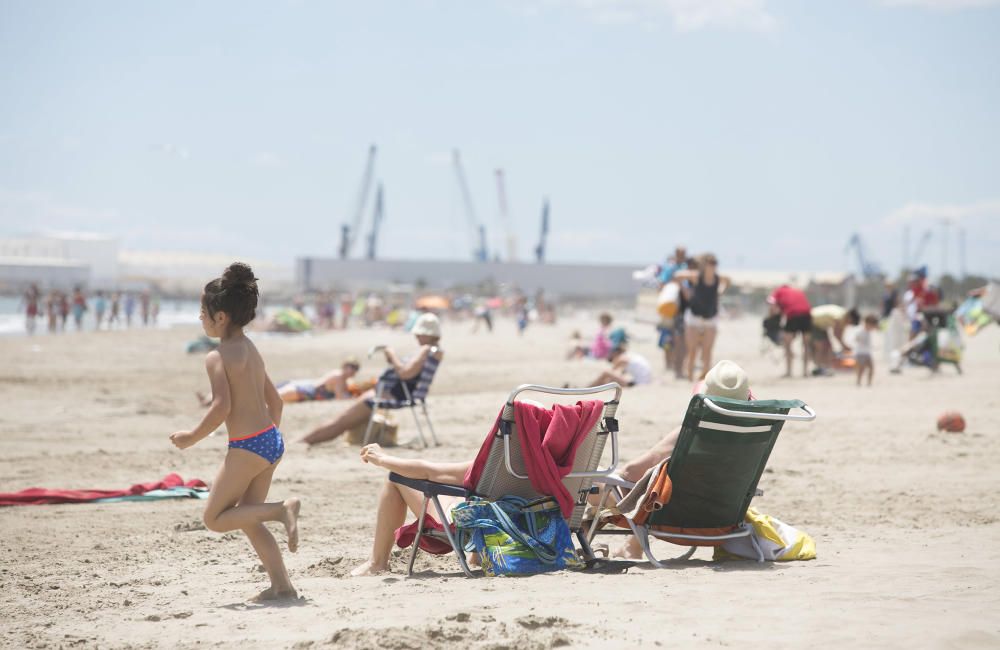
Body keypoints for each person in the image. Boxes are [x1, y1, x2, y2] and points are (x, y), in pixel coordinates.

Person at [168, 262, 300, 602]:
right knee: (247, 517)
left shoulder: (217, 356)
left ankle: (281, 510)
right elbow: (277, 402)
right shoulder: (252, 349)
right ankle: (282, 585)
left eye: (203, 312)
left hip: (250, 446)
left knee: (214, 518)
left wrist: (191, 437)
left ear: (221, 316)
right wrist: (268, 443)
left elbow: (221, 407)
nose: (200, 317)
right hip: (271, 440)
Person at [607, 360, 753, 558]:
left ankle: (627, 545)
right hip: (724, 522)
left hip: (676, 520)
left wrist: (612, 476)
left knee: (601, 486)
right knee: (658, 486)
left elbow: (631, 472)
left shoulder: (690, 434)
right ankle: (632, 546)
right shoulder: (752, 436)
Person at [299, 313, 444, 446]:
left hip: (390, 395)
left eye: (419, 333)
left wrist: (392, 354)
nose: (416, 336)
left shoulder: (425, 350)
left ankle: (303, 442)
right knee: (343, 421)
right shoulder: (436, 352)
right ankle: (304, 440)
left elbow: (405, 373)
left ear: (427, 334)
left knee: (339, 423)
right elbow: (408, 373)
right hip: (396, 392)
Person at [349, 443, 472, 576]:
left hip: (467, 523)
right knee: (473, 492)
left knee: (396, 477)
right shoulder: (497, 452)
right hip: (493, 520)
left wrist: (382, 459)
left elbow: (430, 472)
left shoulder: (493, 449)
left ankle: (377, 562)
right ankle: (476, 558)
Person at [673, 253, 730, 381]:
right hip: (694, 316)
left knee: (707, 350)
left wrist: (721, 291)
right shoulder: (696, 276)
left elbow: (728, 280)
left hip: (711, 317)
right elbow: (678, 276)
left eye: (714, 263)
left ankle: (704, 377)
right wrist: (685, 290)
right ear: (704, 265)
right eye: (710, 263)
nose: (713, 266)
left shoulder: (717, 278)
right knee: (692, 350)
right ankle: (690, 377)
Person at [767, 284, 812, 378]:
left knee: (787, 344)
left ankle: (789, 372)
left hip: (793, 315)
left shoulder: (778, 291)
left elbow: (771, 304)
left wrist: (770, 319)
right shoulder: (798, 291)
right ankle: (805, 372)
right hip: (807, 314)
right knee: (806, 345)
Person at [276, 357, 363, 403]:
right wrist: (356, 398)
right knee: (272, 399)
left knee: (271, 398)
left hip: (304, 388)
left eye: (355, 368)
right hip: (304, 391)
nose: (353, 370)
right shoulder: (339, 377)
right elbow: (339, 397)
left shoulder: (344, 379)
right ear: (344, 366)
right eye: (351, 367)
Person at [809, 304, 860, 376]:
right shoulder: (839, 317)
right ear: (850, 318)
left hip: (819, 324)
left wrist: (843, 345)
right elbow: (836, 333)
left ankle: (824, 366)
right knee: (821, 346)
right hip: (813, 321)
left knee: (828, 346)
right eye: (850, 323)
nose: (848, 324)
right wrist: (844, 346)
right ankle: (819, 367)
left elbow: (840, 333)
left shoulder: (842, 314)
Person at [587, 346, 652, 388]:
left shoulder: (622, 358)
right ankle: (594, 386)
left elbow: (612, 370)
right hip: (643, 382)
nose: (612, 361)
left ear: (615, 354)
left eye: (611, 359)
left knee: (606, 373)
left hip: (638, 384)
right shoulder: (630, 355)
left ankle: (590, 387)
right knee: (610, 380)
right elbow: (620, 374)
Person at [854, 314, 877, 387]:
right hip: (860, 353)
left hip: (867, 352)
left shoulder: (868, 331)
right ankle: (858, 382)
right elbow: (856, 339)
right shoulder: (861, 330)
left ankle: (869, 383)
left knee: (871, 368)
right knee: (861, 369)